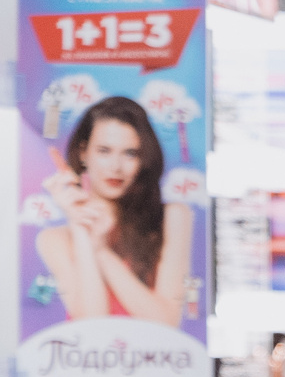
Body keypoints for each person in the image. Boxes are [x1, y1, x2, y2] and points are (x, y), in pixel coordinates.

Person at [38, 96, 188, 326]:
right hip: (87, 360)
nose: (116, 166)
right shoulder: (55, 239)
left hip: (153, 359)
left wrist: (101, 251)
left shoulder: (172, 217)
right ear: (83, 153)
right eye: (104, 151)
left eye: (130, 153)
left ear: (144, 159)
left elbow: (166, 323)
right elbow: (91, 325)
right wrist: (81, 227)